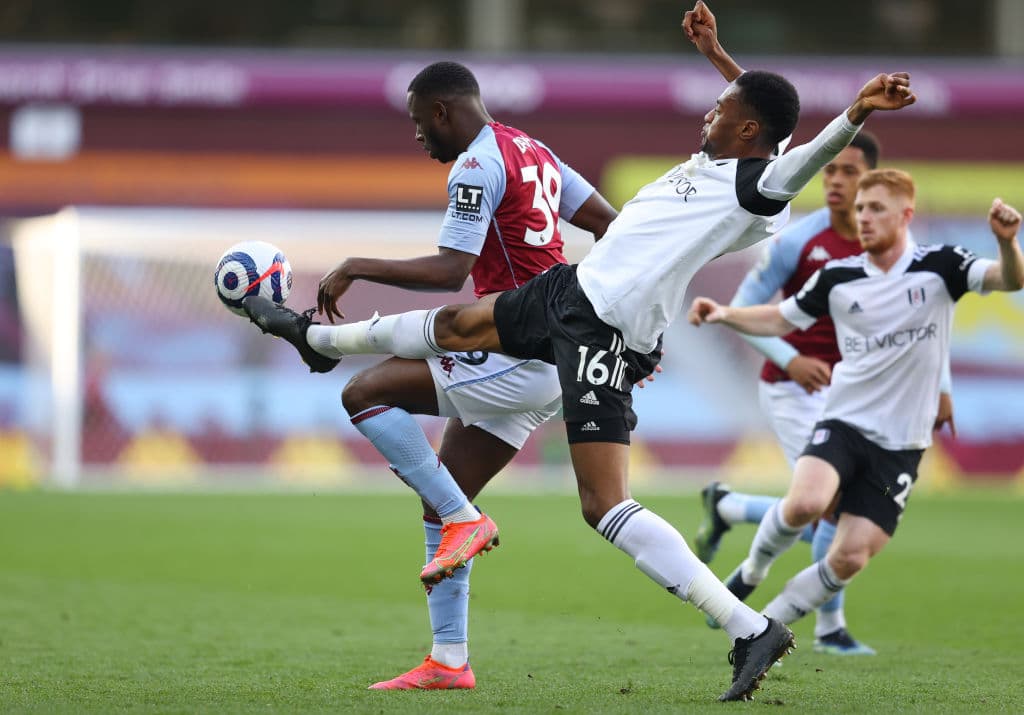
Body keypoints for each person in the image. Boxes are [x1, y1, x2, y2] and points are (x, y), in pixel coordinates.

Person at [243, 1, 917, 700]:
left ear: (746, 132)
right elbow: (763, 115)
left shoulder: (755, 186)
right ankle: (316, 338)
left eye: (719, 110)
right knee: (453, 326)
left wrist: (857, 112)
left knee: (603, 504)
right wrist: (718, 57)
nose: (706, 116)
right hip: (572, 292)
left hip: (601, 330)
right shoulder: (721, 162)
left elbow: (791, 157)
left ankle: (748, 627)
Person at [255, 60, 619, 690]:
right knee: (440, 498)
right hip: (550, 357)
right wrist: (607, 323)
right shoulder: (534, 150)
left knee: (364, 392)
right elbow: (611, 226)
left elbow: (453, 270)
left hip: (509, 348)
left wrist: (357, 265)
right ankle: (449, 660)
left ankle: (466, 522)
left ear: (444, 111)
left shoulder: (476, 163)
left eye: (419, 121)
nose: (418, 135)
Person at [684, 8, 957, 653]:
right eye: (830, 171)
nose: (835, 183)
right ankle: (823, 623)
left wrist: (939, 383)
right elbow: (757, 308)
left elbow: (926, 317)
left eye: (847, 174)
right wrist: (789, 355)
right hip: (795, 383)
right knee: (827, 511)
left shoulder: (895, 250)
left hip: (857, 390)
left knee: (822, 512)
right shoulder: (796, 234)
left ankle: (731, 512)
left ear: (874, 184)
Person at [687, 173, 1023, 634]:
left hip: (902, 443)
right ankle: (752, 572)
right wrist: (725, 313)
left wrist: (1007, 243)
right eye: (861, 208)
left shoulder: (943, 265)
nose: (864, 217)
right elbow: (781, 318)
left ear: (906, 214)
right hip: (843, 421)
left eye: (876, 208)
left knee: (849, 556)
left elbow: (1009, 278)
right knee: (806, 503)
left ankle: (766, 630)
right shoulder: (838, 277)